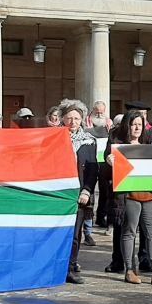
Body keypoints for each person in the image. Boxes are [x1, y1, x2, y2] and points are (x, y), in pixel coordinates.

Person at [107, 109, 152, 286]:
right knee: (129, 231)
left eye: (140, 124)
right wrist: (109, 162)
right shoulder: (117, 145)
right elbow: (106, 172)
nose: (137, 128)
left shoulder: (149, 144)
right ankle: (130, 269)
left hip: (149, 195)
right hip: (128, 196)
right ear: (127, 125)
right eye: (134, 124)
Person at [62, 101, 96, 285]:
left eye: (76, 118)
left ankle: (70, 266)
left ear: (82, 120)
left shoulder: (89, 141)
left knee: (75, 234)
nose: (72, 122)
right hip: (59, 193)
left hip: (79, 194)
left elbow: (93, 170)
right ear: (63, 119)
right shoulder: (53, 139)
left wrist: (87, 190)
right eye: (69, 118)